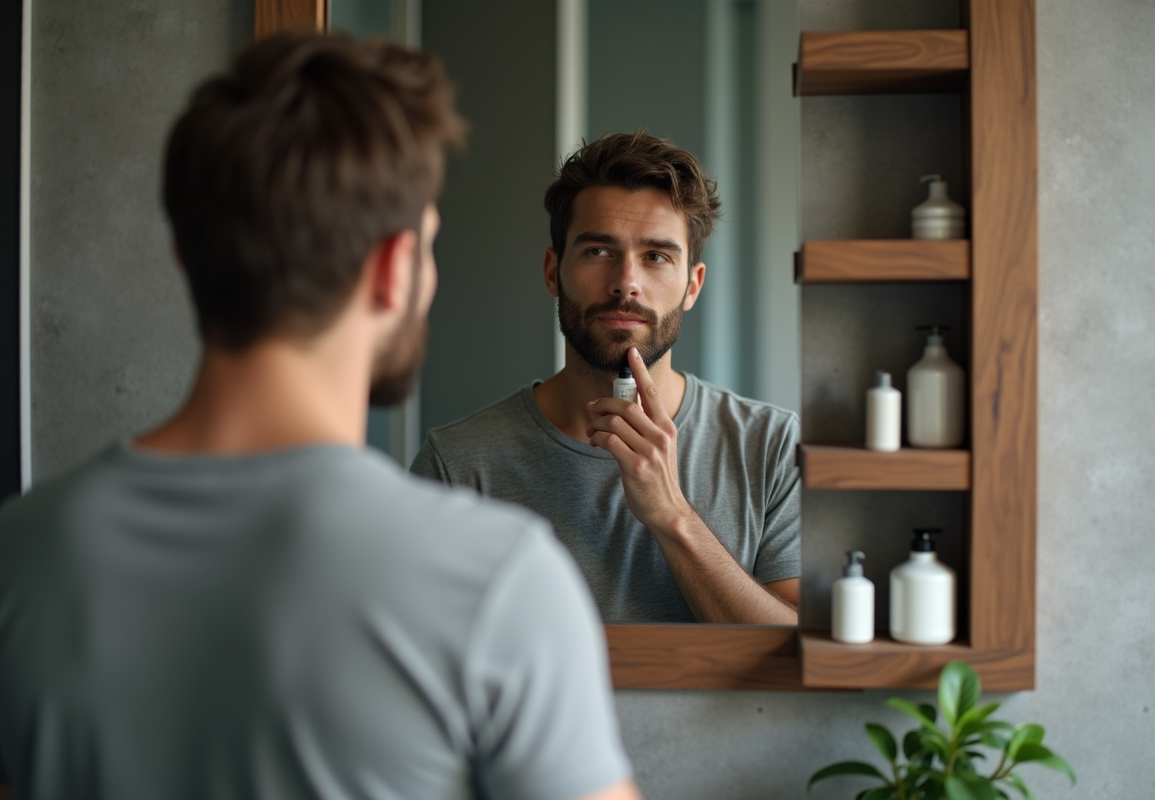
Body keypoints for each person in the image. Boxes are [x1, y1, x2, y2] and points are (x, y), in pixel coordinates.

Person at [0, 33, 637, 800]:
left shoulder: (21, 550)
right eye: (428, 250)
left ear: (186, 256)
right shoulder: (494, 581)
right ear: (392, 269)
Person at [411, 131, 800, 624]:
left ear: (692, 286)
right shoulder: (457, 466)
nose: (625, 283)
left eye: (657, 256)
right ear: (552, 272)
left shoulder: (771, 447)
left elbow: (798, 655)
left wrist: (672, 516)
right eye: (598, 251)